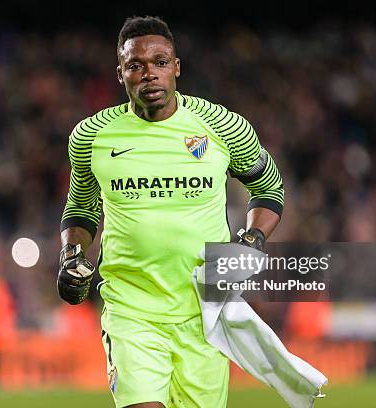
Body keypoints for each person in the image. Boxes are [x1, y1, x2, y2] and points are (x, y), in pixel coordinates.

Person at [58, 16, 283, 408]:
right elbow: (81, 207)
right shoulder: (92, 136)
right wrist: (71, 254)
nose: (149, 74)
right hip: (132, 309)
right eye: (136, 65)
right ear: (121, 74)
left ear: (176, 67)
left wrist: (251, 242)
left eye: (160, 62)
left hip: (204, 311)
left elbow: (269, 189)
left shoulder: (223, 126)